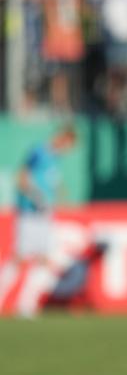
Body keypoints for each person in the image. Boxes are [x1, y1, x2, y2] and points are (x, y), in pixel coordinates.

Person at [0, 125, 77, 317]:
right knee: (19, 257)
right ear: (63, 138)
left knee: (43, 259)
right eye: (69, 145)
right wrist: (37, 197)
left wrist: (57, 193)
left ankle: (26, 306)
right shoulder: (39, 152)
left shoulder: (55, 159)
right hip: (30, 213)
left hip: (44, 214)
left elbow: (52, 182)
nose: (68, 150)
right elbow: (22, 177)